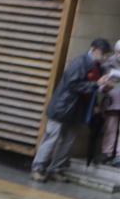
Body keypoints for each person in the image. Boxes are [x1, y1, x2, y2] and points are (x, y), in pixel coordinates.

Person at [33, 37, 114, 182]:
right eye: (104, 54)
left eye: (107, 55)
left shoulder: (98, 67)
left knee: (69, 140)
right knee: (52, 138)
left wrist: (103, 87)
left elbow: (93, 87)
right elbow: (73, 84)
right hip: (63, 107)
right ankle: (38, 168)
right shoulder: (79, 62)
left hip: (78, 109)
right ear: (94, 50)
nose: (105, 57)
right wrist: (96, 85)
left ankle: (56, 169)